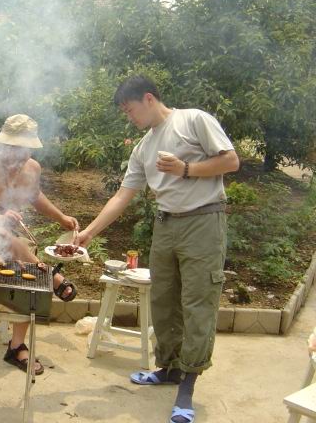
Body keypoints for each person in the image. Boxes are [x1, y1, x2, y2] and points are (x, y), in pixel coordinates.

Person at [75, 76, 239, 423]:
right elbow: (123, 194)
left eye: (130, 109)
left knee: (197, 304)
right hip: (166, 224)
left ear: (148, 99)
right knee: (163, 301)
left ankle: (187, 386)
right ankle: (169, 369)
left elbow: (230, 161)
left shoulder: (193, 120)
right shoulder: (144, 147)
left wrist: (186, 169)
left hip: (203, 221)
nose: (129, 117)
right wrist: (89, 232)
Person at [0, 114, 79, 375]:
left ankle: (16, 346)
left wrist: (61, 218)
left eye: (24, 150)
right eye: (13, 148)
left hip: (10, 238)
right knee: (14, 244)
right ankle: (51, 275)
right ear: (3, 145)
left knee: (25, 266)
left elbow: (35, 196)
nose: (18, 156)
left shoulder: (32, 168)